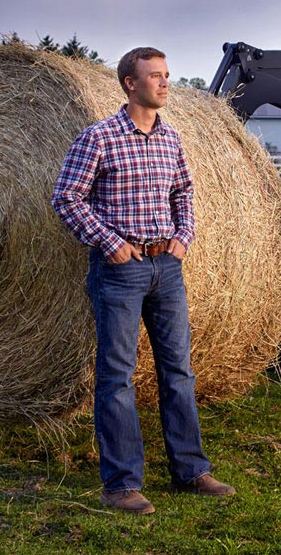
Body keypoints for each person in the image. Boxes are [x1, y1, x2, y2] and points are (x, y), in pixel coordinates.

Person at [52, 46, 234, 515]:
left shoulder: (170, 138)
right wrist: (109, 242)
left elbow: (183, 192)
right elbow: (67, 196)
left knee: (179, 372)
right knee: (117, 376)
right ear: (130, 83)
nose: (165, 83)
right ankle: (120, 484)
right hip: (119, 270)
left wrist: (183, 237)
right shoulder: (100, 137)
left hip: (166, 268)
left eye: (167, 75)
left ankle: (191, 471)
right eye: (155, 76)